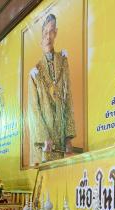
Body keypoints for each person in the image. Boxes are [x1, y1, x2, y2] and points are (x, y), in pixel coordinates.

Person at [27, 13, 76, 165]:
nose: (48, 36)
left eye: (51, 31)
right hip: (46, 144)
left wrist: (68, 137)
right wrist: (44, 137)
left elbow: (68, 98)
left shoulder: (63, 62)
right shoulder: (35, 72)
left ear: (56, 33)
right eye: (45, 33)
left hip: (61, 138)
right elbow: (34, 110)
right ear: (41, 38)